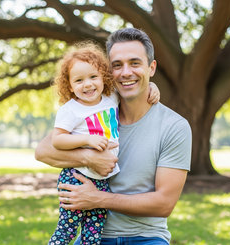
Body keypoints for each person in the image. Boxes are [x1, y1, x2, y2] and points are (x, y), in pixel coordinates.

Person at [36, 28, 192, 244]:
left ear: (151, 67)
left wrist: (98, 198)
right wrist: (88, 157)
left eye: (135, 63)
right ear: (108, 71)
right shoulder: (93, 108)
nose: (126, 72)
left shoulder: (174, 126)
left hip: (146, 238)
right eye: (117, 65)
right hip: (96, 237)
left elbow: (164, 204)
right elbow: (42, 150)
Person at [47, 42, 160, 245]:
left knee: (93, 234)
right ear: (69, 85)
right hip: (76, 177)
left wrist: (152, 86)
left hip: (102, 180)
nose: (88, 84)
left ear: (103, 77)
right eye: (79, 80)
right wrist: (86, 139)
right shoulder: (70, 110)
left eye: (93, 77)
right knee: (68, 230)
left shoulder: (110, 98)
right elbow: (58, 139)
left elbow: (135, 88)